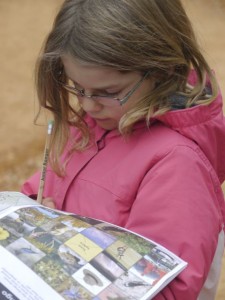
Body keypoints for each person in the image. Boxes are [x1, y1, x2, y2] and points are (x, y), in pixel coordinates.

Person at [21, 0, 225, 299]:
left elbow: (165, 289)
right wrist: (30, 215)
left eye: (108, 92)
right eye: (77, 87)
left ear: (161, 69)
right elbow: (43, 190)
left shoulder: (177, 164)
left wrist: (68, 247)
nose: (88, 104)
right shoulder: (90, 123)